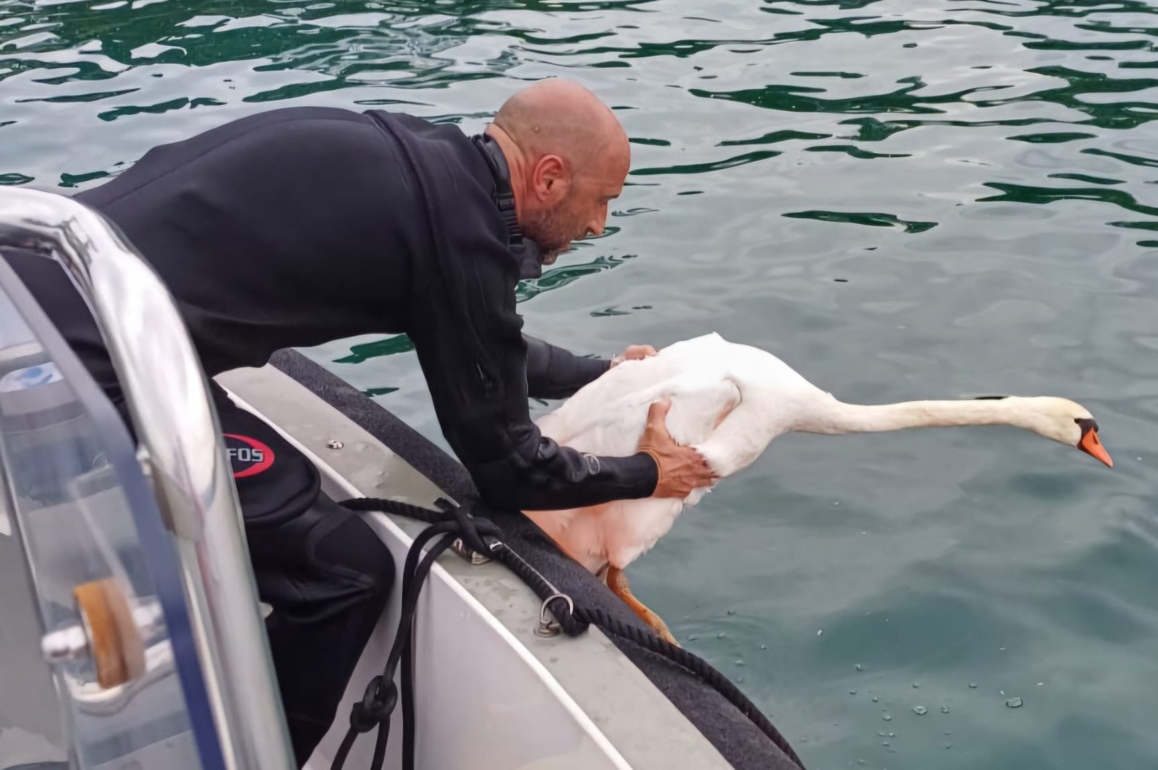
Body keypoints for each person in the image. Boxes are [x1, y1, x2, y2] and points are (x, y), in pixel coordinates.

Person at [5, 77, 717, 764]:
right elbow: (508, 468)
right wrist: (651, 473)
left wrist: (605, 375)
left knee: (265, 502)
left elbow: (489, 347)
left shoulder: (424, 167)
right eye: (602, 201)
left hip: (28, 292)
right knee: (341, 569)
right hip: (84, 367)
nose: (599, 225)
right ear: (551, 177)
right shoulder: (460, 235)